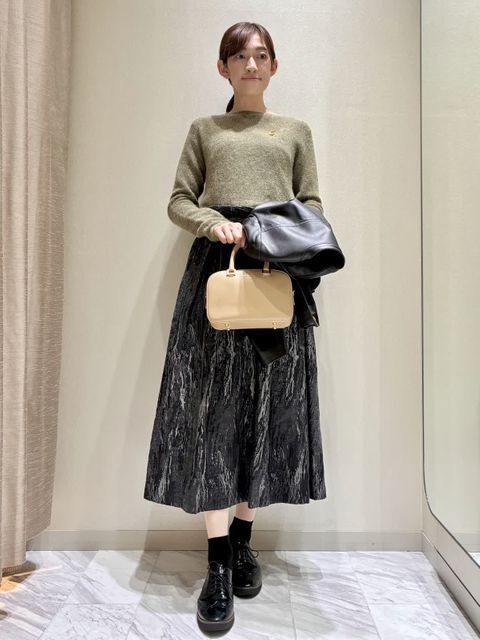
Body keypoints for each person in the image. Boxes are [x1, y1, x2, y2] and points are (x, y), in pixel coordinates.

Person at [143, 21, 327, 633]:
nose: (251, 64)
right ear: (222, 67)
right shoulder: (205, 130)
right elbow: (179, 199)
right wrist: (212, 224)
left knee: (266, 407)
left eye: (261, 54)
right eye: (239, 56)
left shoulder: (294, 131)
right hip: (216, 276)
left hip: (277, 274)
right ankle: (218, 561)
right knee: (212, 411)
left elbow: (312, 204)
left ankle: (245, 543)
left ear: (274, 66)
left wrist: (271, 232)